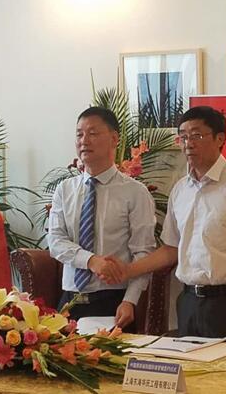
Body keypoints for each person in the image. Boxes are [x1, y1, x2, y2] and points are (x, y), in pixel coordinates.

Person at [102, 106, 226, 340]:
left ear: (220, 139)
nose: (188, 144)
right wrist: (128, 270)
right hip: (188, 303)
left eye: (196, 135)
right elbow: (171, 249)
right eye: (183, 137)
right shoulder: (180, 189)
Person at [48, 106, 156, 330]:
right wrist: (91, 261)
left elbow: (143, 252)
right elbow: (56, 242)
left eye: (93, 133)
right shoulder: (65, 190)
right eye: (79, 134)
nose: (84, 141)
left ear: (114, 139)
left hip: (113, 301)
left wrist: (130, 300)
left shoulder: (135, 192)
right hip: (69, 300)